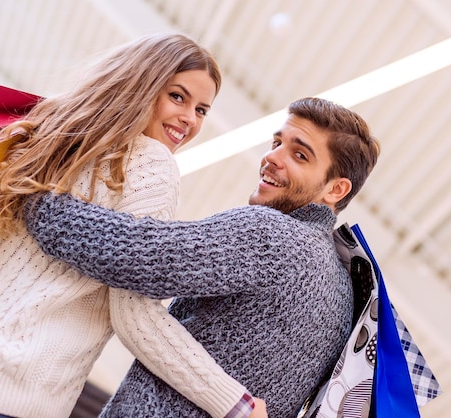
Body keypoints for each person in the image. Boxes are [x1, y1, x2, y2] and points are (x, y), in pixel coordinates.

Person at [0, 33, 268, 418]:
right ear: (142, 86)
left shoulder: (47, 146)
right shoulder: (152, 163)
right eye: (177, 97)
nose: (190, 119)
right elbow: (133, 311)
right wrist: (234, 403)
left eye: (201, 110)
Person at [25, 97, 381, 417]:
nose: (272, 157)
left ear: (336, 189)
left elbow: (139, 255)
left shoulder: (272, 234)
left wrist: (32, 196)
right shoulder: (344, 292)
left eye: (299, 154)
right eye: (277, 143)